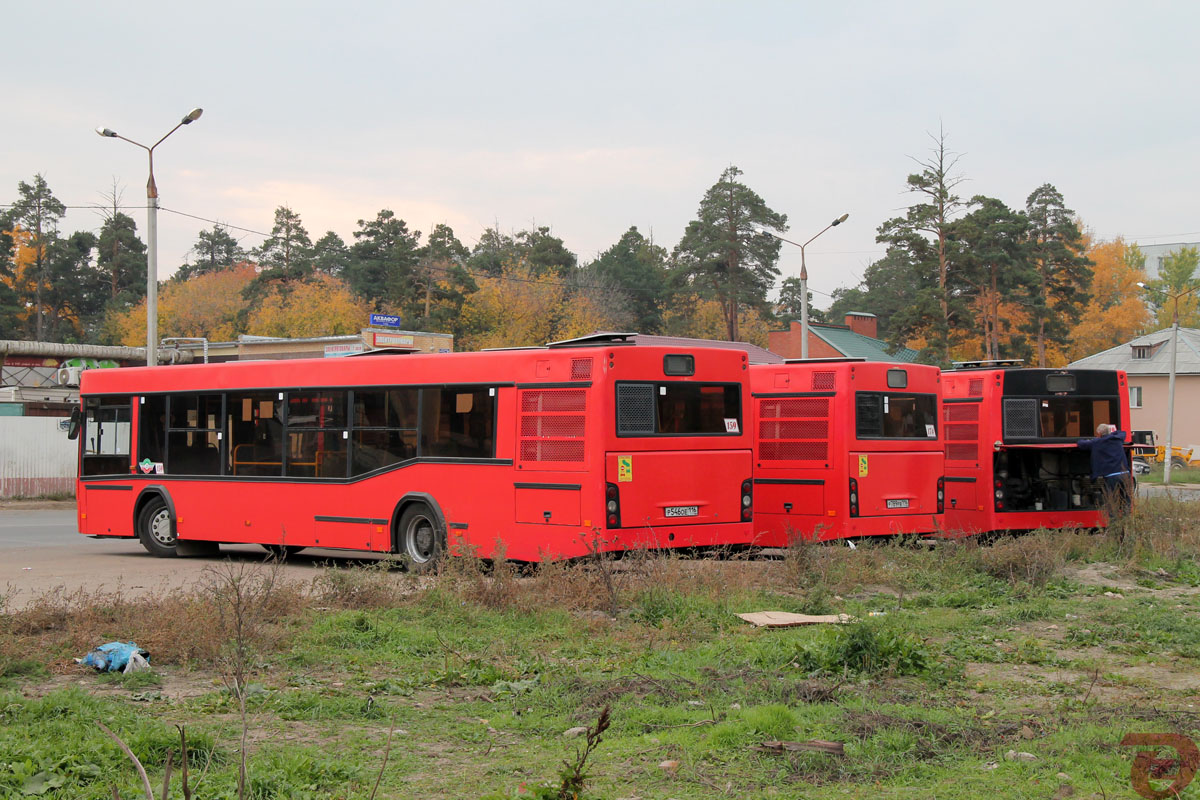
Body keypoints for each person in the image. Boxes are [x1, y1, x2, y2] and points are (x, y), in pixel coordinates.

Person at [1076, 423, 1131, 514]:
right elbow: (1121, 432)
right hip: (1125, 474)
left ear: (1099, 434)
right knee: (1127, 500)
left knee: (1111, 502)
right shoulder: (1118, 439)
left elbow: (1081, 444)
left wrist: (1091, 439)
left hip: (1112, 477)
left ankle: (1113, 524)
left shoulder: (1097, 443)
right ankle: (1127, 521)